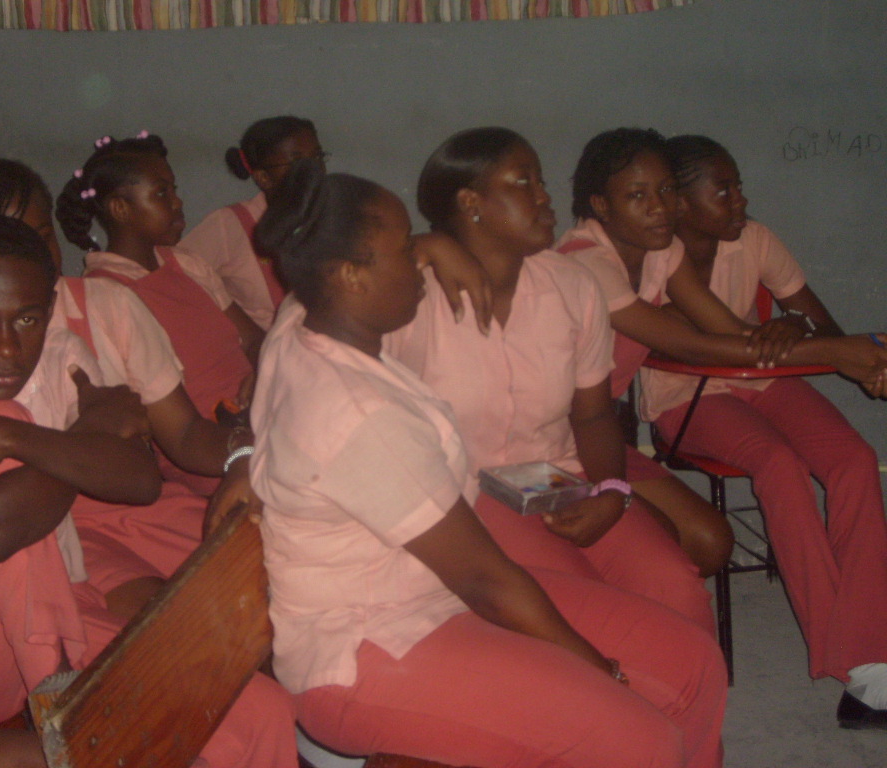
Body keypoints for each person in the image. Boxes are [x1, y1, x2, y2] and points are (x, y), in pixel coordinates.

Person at [250, 158, 727, 768]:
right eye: (406, 249)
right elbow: (486, 581)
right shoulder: (355, 411)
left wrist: (432, 245)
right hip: (370, 649)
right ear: (349, 276)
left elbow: (306, 293)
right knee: (639, 737)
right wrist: (600, 671)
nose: (421, 262)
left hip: (429, 596)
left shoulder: (305, 323)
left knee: (692, 662)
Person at [0, 217, 296, 767]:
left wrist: (9, 439)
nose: (6, 347)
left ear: (50, 309)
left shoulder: (60, 353)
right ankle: (57, 692)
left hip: (64, 608)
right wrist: (79, 433)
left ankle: (59, 686)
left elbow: (139, 480)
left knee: (260, 709)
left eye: (27, 318)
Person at [381, 127, 712, 632]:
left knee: (673, 583)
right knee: (588, 607)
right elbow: (319, 313)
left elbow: (594, 415)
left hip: (559, 479)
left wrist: (611, 491)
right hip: (461, 496)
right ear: (471, 203)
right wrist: (416, 249)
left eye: (540, 180)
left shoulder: (572, 286)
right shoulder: (408, 296)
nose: (544, 196)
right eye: (524, 182)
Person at [554, 127, 887, 576]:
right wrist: (838, 351)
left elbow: (730, 332)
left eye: (666, 190)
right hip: (548, 429)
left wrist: (820, 340)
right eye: (637, 195)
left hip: (595, 430)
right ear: (601, 205)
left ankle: (853, 619)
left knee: (708, 544)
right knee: (663, 547)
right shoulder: (585, 261)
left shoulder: (663, 250)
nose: (659, 207)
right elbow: (694, 348)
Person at [641, 134, 887, 729]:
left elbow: (825, 327)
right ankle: (862, 669)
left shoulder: (753, 239)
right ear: (680, 202)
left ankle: (871, 648)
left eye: (739, 186)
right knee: (779, 465)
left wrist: (790, 324)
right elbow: (680, 340)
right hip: (686, 396)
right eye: (723, 190)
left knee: (855, 459)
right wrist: (773, 338)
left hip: (762, 379)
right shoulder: (653, 256)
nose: (741, 200)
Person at [0, 159, 258, 616]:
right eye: (6, 241)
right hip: (45, 527)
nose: (32, 256)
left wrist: (246, 452)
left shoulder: (107, 305)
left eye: (42, 235)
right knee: (170, 620)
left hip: (135, 502)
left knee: (259, 569)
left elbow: (185, 434)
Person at [56, 133, 264, 497]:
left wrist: (261, 374)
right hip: (209, 446)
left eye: (173, 189)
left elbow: (254, 339)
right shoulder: (105, 296)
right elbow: (177, 430)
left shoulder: (185, 263)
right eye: (161, 193)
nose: (177, 202)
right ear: (120, 209)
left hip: (260, 413)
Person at [179, 116, 325, 330]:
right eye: (297, 162)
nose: (314, 169)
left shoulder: (335, 216)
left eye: (317, 157)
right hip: (266, 346)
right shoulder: (229, 224)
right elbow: (175, 278)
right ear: (263, 177)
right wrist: (239, 326)